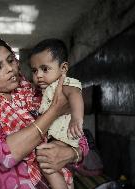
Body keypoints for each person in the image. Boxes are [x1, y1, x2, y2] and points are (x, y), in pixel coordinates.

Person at [0, 37, 89, 189]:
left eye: (11, 60)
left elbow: (79, 138)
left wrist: (71, 153)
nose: (9, 68)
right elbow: (6, 155)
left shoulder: (38, 91)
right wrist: (54, 110)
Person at [29, 39, 84, 189]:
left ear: (63, 68)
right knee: (57, 167)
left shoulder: (63, 83)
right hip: (58, 136)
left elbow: (75, 95)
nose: (38, 75)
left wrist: (76, 119)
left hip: (64, 134)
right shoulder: (46, 90)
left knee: (44, 159)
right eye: (34, 70)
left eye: (45, 69)